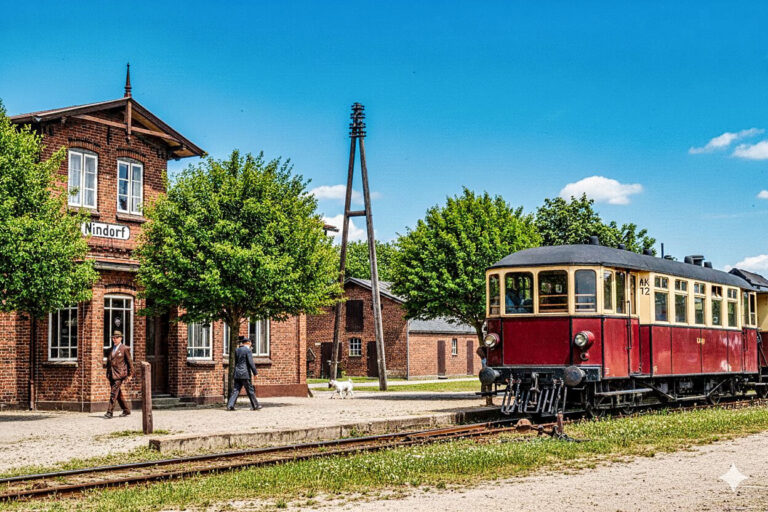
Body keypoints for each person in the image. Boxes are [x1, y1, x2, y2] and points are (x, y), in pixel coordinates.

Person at [227, 336, 262, 411]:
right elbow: (251, 363)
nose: (251, 344)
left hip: (237, 372)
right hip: (245, 373)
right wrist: (255, 373)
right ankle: (255, 405)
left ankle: (230, 405)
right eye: (250, 343)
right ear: (248, 343)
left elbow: (236, 362)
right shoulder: (248, 350)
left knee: (236, 390)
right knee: (250, 390)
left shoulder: (237, 350)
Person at [104, 330, 134, 419]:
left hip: (120, 374)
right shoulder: (110, 350)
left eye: (116, 337)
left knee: (113, 393)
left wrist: (130, 375)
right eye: (113, 338)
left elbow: (130, 363)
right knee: (118, 393)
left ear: (121, 338)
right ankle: (126, 410)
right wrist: (107, 373)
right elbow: (109, 362)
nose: (114, 339)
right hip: (111, 374)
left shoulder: (125, 349)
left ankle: (109, 412)